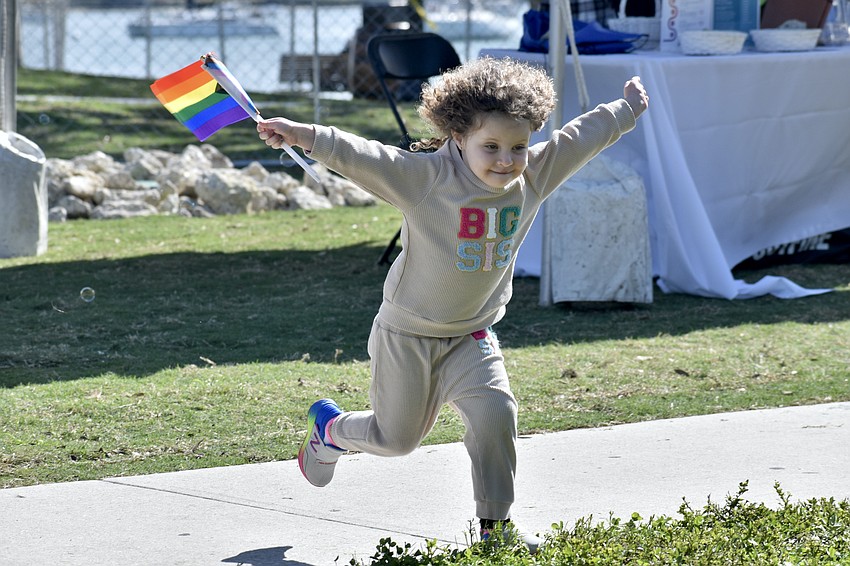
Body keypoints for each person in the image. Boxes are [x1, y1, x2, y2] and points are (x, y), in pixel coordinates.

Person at [257, 56, 649, 552]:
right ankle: (330, 431)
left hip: (472, 335)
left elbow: (579, 138)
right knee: (396, 440)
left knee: (495, 415)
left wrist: (625, 110)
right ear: (458, 137)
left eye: (518, 147)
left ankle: (495, 529)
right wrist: (303, 134)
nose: (506, 160)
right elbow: (364, 156)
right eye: (491, 147)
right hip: (408, 335)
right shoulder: (425, 180)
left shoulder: (533, 178)